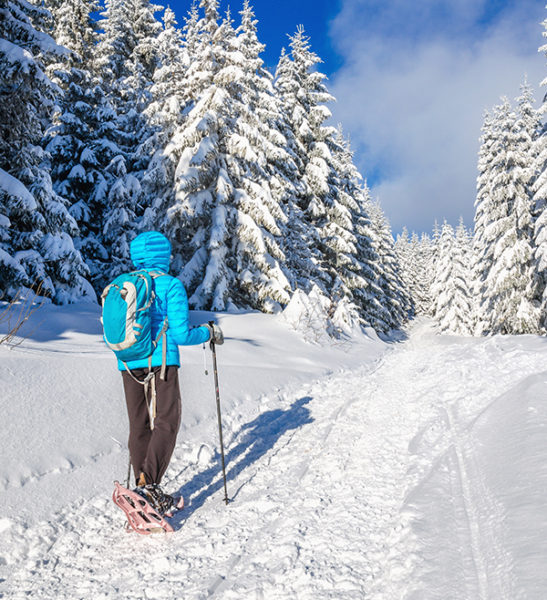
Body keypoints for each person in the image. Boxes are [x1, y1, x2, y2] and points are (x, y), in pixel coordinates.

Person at [117, 230, 223, 514]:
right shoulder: (171, 285)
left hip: (128, 362)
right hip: (162, 361)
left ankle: (143, 487)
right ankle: (148, 488)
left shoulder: (123, 286)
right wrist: (208, 332)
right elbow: (182, 335)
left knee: (139, 424)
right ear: (164, 256)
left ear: (136, 256)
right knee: (167, 421)